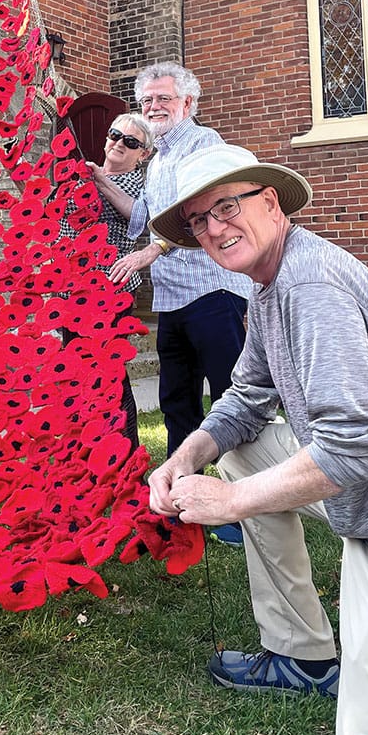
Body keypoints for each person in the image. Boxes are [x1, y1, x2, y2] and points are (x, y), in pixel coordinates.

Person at [148, 144, 368, 735]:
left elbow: (355, 446)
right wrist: (187, 456)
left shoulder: (308, 286)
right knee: (240, 454)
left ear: (270, 202)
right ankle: (303, 656)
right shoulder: (271, 284)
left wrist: (231, 501)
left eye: (226, 206)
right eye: (198, 221)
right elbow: (245, 396)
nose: (214, 229)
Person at [106, 64, 251, 544]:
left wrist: (149, 251)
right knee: (177, 403)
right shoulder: (157, 158)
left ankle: (241, 505)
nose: (153, 108)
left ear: (187, 103)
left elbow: (200, 215)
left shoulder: (202, 145)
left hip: (212, 293)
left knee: (231, 400)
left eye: (163, 98)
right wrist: (97, 179)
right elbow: (143, 219)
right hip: (172, 299)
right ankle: (182, 502)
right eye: (146, 100)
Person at [62, 111, 154, 447]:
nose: (118, 144)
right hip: (73, 292)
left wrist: (100, 179)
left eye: (130, 142)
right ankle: (86, 454)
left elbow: (139, 219)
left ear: (142, 154)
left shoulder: (139, 184)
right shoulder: (78, 178)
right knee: (77, 376)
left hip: (109, 295)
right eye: (115, 136)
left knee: (110, 376)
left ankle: (125, 455)